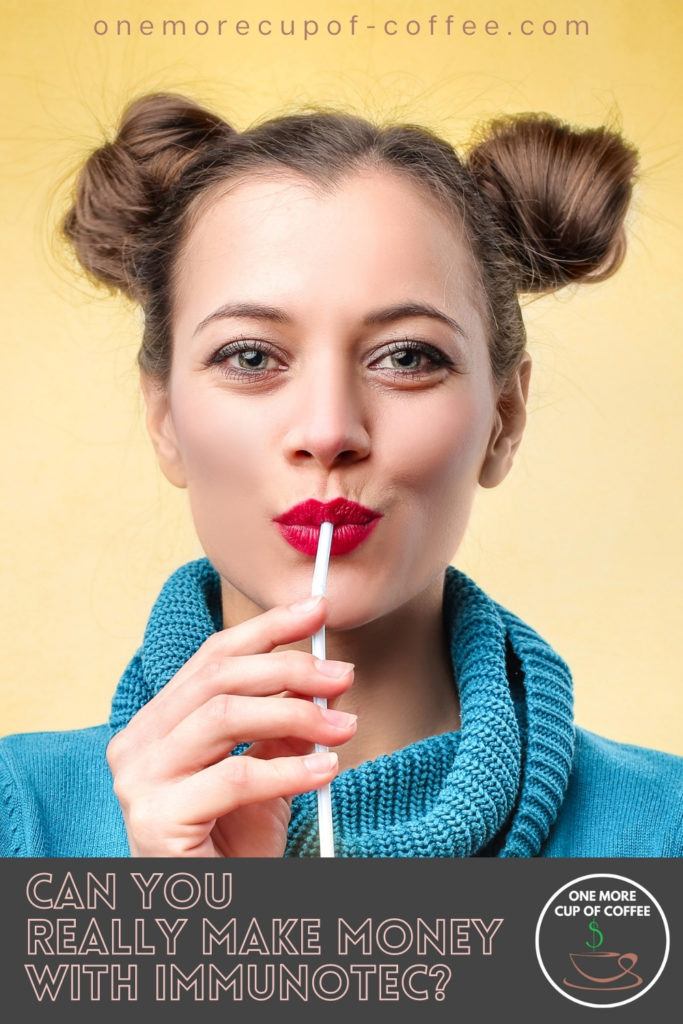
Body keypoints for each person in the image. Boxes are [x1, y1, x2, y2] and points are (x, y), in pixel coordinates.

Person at [1, 93, 681, 858]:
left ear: (503, 417)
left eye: (407, 358)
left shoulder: (664, 829)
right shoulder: (20, 818)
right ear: (164, 418)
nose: (328, 431)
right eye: (251, 357)